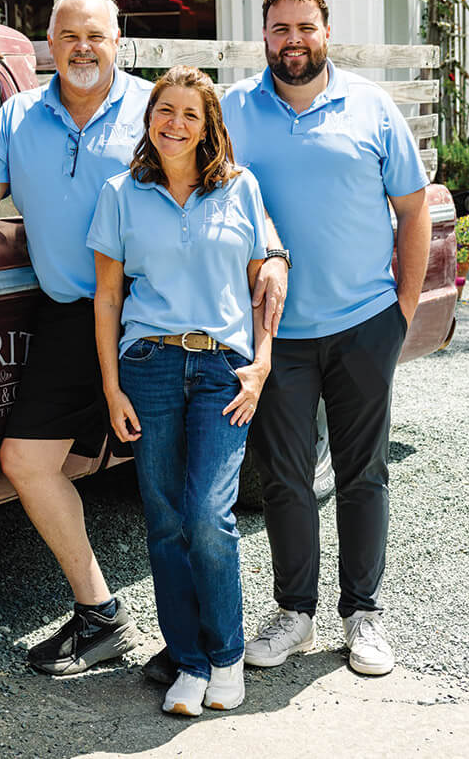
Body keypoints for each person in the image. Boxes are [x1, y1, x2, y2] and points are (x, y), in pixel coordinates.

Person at [0, 0, 286, 675]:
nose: (83, 49)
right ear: (48, 46)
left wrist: (271, 253)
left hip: (158, 320)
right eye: (69, 37)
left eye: (97, 37)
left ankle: (203, 650)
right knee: (28, 461)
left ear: (119, 44)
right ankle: (101, 614)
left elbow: (221, 178)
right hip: (70, 318)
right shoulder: (19, 116)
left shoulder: (156, 109)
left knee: (182, 498)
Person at [221, 0, 431, 677]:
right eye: (279, 29)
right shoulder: (234, 113)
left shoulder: (371, 108)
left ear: (326, 32)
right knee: (283, 477)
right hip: (275, 334)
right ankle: (295, 614)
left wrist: (401, 312)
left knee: (362, 473)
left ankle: (362, 615)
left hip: (364, 324)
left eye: (304, 27)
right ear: (265, 37)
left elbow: (414, 209)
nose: (292, 41)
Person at [89, 66, 272, 717]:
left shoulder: (240, 190)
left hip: (223, 369)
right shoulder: (120, 193)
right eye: (165, 110)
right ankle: (189, 662)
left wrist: (262, 364)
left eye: (190, 114)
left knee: (207, 517)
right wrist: (111, 387)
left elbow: (264, 282)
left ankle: (226, 654)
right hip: (149, 366)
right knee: (164, 521)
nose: (174, 123)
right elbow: (108, 295)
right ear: (150, 119)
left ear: (208, 127)